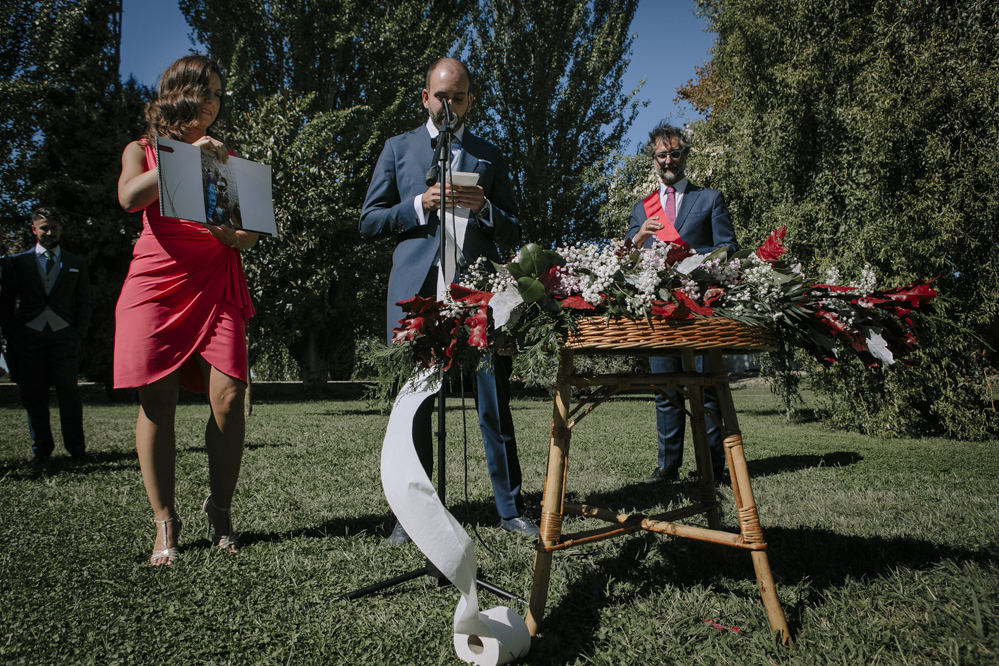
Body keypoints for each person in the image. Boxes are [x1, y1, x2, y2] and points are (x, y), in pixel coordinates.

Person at [359, 57, 538, 542]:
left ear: (470, 101)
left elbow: (516, 228)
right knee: (414, 408)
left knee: (493, 404)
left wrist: (486, 211)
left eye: (458, 97)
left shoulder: (488, 153)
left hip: (478, 292)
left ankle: (510, 508)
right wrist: (421, 204)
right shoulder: (398, 149)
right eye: (441, 96)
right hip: (416, 296)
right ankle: (410, 515)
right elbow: (369, 219)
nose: (448, 105)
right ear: (425, 98)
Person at [115, 55, 258, 566]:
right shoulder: (142, 149)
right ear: (180, 93)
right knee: (158, 397)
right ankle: (164, 520)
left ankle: (219, 509)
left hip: (216, 276)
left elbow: (246, 231)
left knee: (229, 396)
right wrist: (187, 158)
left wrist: (232, 234)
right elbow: (131, 197)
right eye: (207, 93)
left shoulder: (225, 155)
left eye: (220, 95)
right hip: (156, 280)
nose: (215, 104)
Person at [625, 121, 738, 485]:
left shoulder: (710, 198)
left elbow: (728, 248)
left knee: (706, 390)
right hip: (660, 311)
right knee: (666, 391)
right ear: (653, 159)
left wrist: (692, 261)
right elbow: (625, 259)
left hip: (701, 307)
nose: (668, 160)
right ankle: (668, 468)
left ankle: (713, 469)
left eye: (674, 153)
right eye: (661, 154)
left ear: (685, 155)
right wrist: (639, 237)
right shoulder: (642, 209)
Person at [0, 207, 91, 465]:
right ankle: (41, 449)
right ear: (34, 229)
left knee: (69, 392)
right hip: (29, 337)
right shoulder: (17, 263)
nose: (49, 233)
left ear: (61, 229)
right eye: (44, 228)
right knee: (33, 393)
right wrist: (13, 335)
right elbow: (6, 303)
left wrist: (77, 333)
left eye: (54, 228)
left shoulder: (76, 263)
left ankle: (76, 449)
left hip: (64, 336)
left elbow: (84, 302)